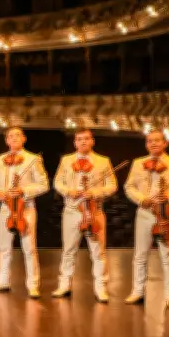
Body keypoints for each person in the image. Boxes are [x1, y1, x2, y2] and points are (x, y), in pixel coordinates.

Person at [124, 129, 169, 310]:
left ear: (165, 143)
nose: (153, 144)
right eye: (149, 141)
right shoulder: (138, 163)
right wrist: (141, 198)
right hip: (145, 213)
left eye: (157, 140)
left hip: (166, 213)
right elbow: (129, 187)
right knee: (140, 255)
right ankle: (137, 290)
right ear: (146, 144)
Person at [52, 128, 116, 302]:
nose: (83, 142)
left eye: (86, 139)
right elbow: (57, 182)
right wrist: (68, 191)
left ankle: (101, 286)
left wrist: (95, 192)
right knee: (68, 250)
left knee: (98, 251)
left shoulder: (103, 161)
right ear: (74, 142)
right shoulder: (66, 160)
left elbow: (112, 186)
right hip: (72, 211)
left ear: (92, 141)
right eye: (79, 139)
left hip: (94, 211)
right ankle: (64, 284)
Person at [0, 127, 48, 298]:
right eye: (10, 136)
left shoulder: (33, 159)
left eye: (17, 135)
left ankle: (33, 285)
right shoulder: (0, 159)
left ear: (24, 138)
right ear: (6, 140)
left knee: (29, 248)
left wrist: (24, 190)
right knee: (4, 247)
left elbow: (43, 184)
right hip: (6, 207)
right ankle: (3, 281)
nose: (13, 138)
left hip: (26, 207)